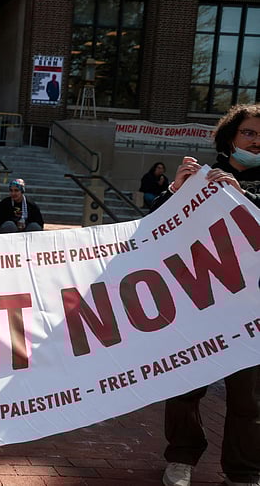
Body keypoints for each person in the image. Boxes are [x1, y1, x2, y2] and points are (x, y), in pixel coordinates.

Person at [151, 103, 259, 486]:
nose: (256, 141)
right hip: (199, 302)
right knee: (185, 386)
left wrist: (244, 197)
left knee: (249, 399)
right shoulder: (202, 177)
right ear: (231, 137)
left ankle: (244, 471)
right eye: (249, 133)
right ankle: (181, 458)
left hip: (251, 310)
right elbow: (152, 232)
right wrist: (178, 191)